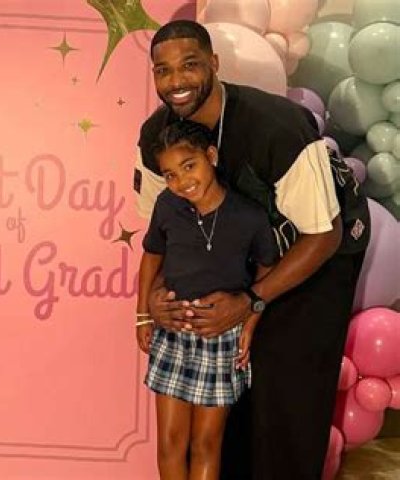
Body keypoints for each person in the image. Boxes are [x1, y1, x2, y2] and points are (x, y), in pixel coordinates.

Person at [134, 20, 370, 480]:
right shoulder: (155, 138)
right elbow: (161, 231)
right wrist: (154, 300)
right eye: (163, 70)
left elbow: (324, 235)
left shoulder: (275, 128)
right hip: (240, 259)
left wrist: (251, 302)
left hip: (317, 249)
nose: (177, 81)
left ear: (214, 64)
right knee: (230, 400)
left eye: (190, 65)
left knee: (284, 394)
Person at [137, 120, 277, 480]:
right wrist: (143, 315)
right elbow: (151, 257)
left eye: (189, 166)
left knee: (206, 444)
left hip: (221, 337)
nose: (182, 181)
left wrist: (250, 321)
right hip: (172, 332)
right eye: (170, 175)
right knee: (170, 443)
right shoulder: (167, 205)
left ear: (210, 156)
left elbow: (267, 270)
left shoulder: (248, 216)